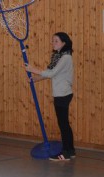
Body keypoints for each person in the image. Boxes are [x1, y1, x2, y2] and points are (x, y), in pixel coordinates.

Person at [25, 32, 76, 161]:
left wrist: (32, 69)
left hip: (63, 94)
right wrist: (35, 79)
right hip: (60, 93)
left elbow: (52, 73)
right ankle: (71, 150)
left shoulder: (66, 58)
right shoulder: (57, 56)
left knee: (63, 124)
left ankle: (66, 152)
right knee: (64, 123)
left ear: (64, 43)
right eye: (52, 41)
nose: (53, 43)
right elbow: (48, 72)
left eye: (56, 41)